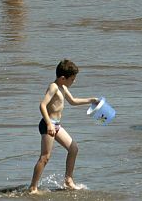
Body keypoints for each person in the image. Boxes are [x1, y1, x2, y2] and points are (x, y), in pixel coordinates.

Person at [30, 59, 99, 193]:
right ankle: (33, 187)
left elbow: (73, 101)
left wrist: (91, 100)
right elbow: (42, 105)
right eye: (72, 79)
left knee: (73, 148)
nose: (74, 81)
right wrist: (49, 124)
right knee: (45, 157)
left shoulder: (63, 87)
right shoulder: (54, 87)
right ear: (63, 78)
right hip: (47, 124)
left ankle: (68, 180)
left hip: (56, 125)